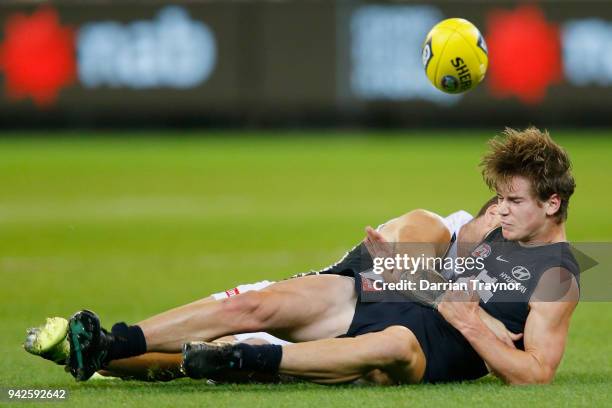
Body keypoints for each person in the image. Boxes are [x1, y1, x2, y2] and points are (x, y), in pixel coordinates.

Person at [34, 128, 581, 385]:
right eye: (500, 199)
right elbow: (426, 253)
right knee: (260, 306)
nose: (500, 212)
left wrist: (472, 322)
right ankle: (109, 343)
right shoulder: (494, 220)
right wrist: (418, 270)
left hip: (431, 344)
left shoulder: (558, 275)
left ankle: (247, 361)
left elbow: (534, 374)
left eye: (514, 202)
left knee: (382, 345)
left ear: (552, 203)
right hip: (393, 294)